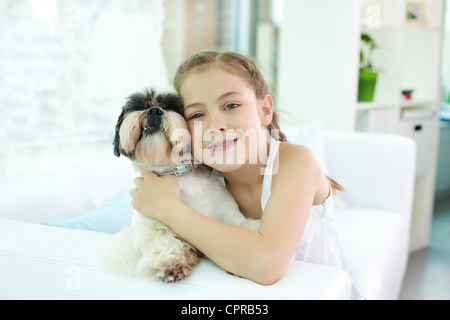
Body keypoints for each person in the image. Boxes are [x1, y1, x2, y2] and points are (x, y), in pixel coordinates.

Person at [131, 50, 364, 299]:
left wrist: (169, 209)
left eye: (231, 105)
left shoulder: (296, 161)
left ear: (265, 110)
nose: (216, 125)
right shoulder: (201, 180)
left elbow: (266, 265)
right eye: (197, 115)